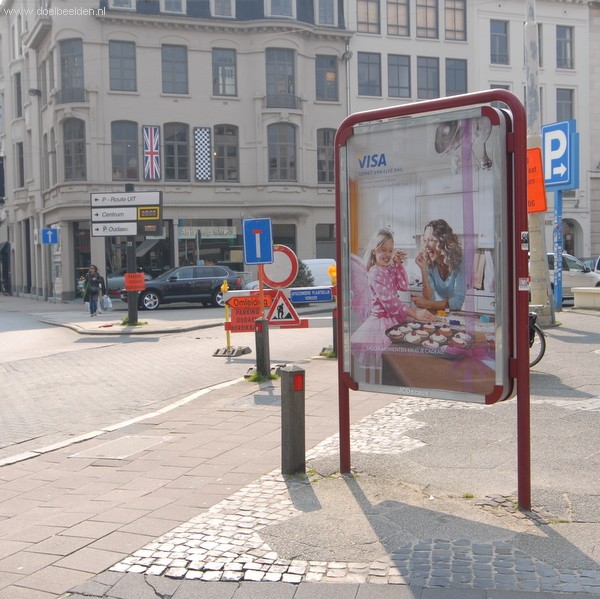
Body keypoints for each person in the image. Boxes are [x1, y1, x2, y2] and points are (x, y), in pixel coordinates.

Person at [351, 228, 435, 348]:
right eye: (383, 250)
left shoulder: (389, 269)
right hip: (381, 324)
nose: (387, 254)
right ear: (374, 251)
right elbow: (389, 301)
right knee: (386, 353)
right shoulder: (374, 273)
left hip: (393, 318)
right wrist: (414, 313)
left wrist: (398, 264)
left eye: (390, 251)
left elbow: (404, 286)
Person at [413, 219, 465, 312]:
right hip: (436, 312)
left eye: (430, 239)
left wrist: (428, 304)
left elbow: (457, 302)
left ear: (444, 241)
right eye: (425, 240)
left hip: (453, 314)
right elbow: (430, 297)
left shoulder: (460, 261)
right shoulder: (429, 261)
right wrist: (423, 269)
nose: (426, 245)